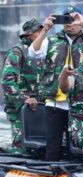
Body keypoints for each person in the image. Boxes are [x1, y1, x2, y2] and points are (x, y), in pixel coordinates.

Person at [28, 5, 83, 161]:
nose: (69, 23)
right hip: (55, 102)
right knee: (53, 146)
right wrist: (45, 29)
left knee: (76, 145)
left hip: (81, 102)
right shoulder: (51, 39)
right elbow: (33, 52)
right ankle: (53, 175)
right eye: (65, 19)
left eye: (73, 19)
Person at [1, 19, 44, 154]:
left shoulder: (44, 52)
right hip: (21, 108)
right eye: (37, 32)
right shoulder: (18, 52)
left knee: (39, 147)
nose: (41, 34)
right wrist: (23, 99)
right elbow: (7, 81)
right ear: (28, 35)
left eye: (42, 31)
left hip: (40, 107)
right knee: (21, 148)